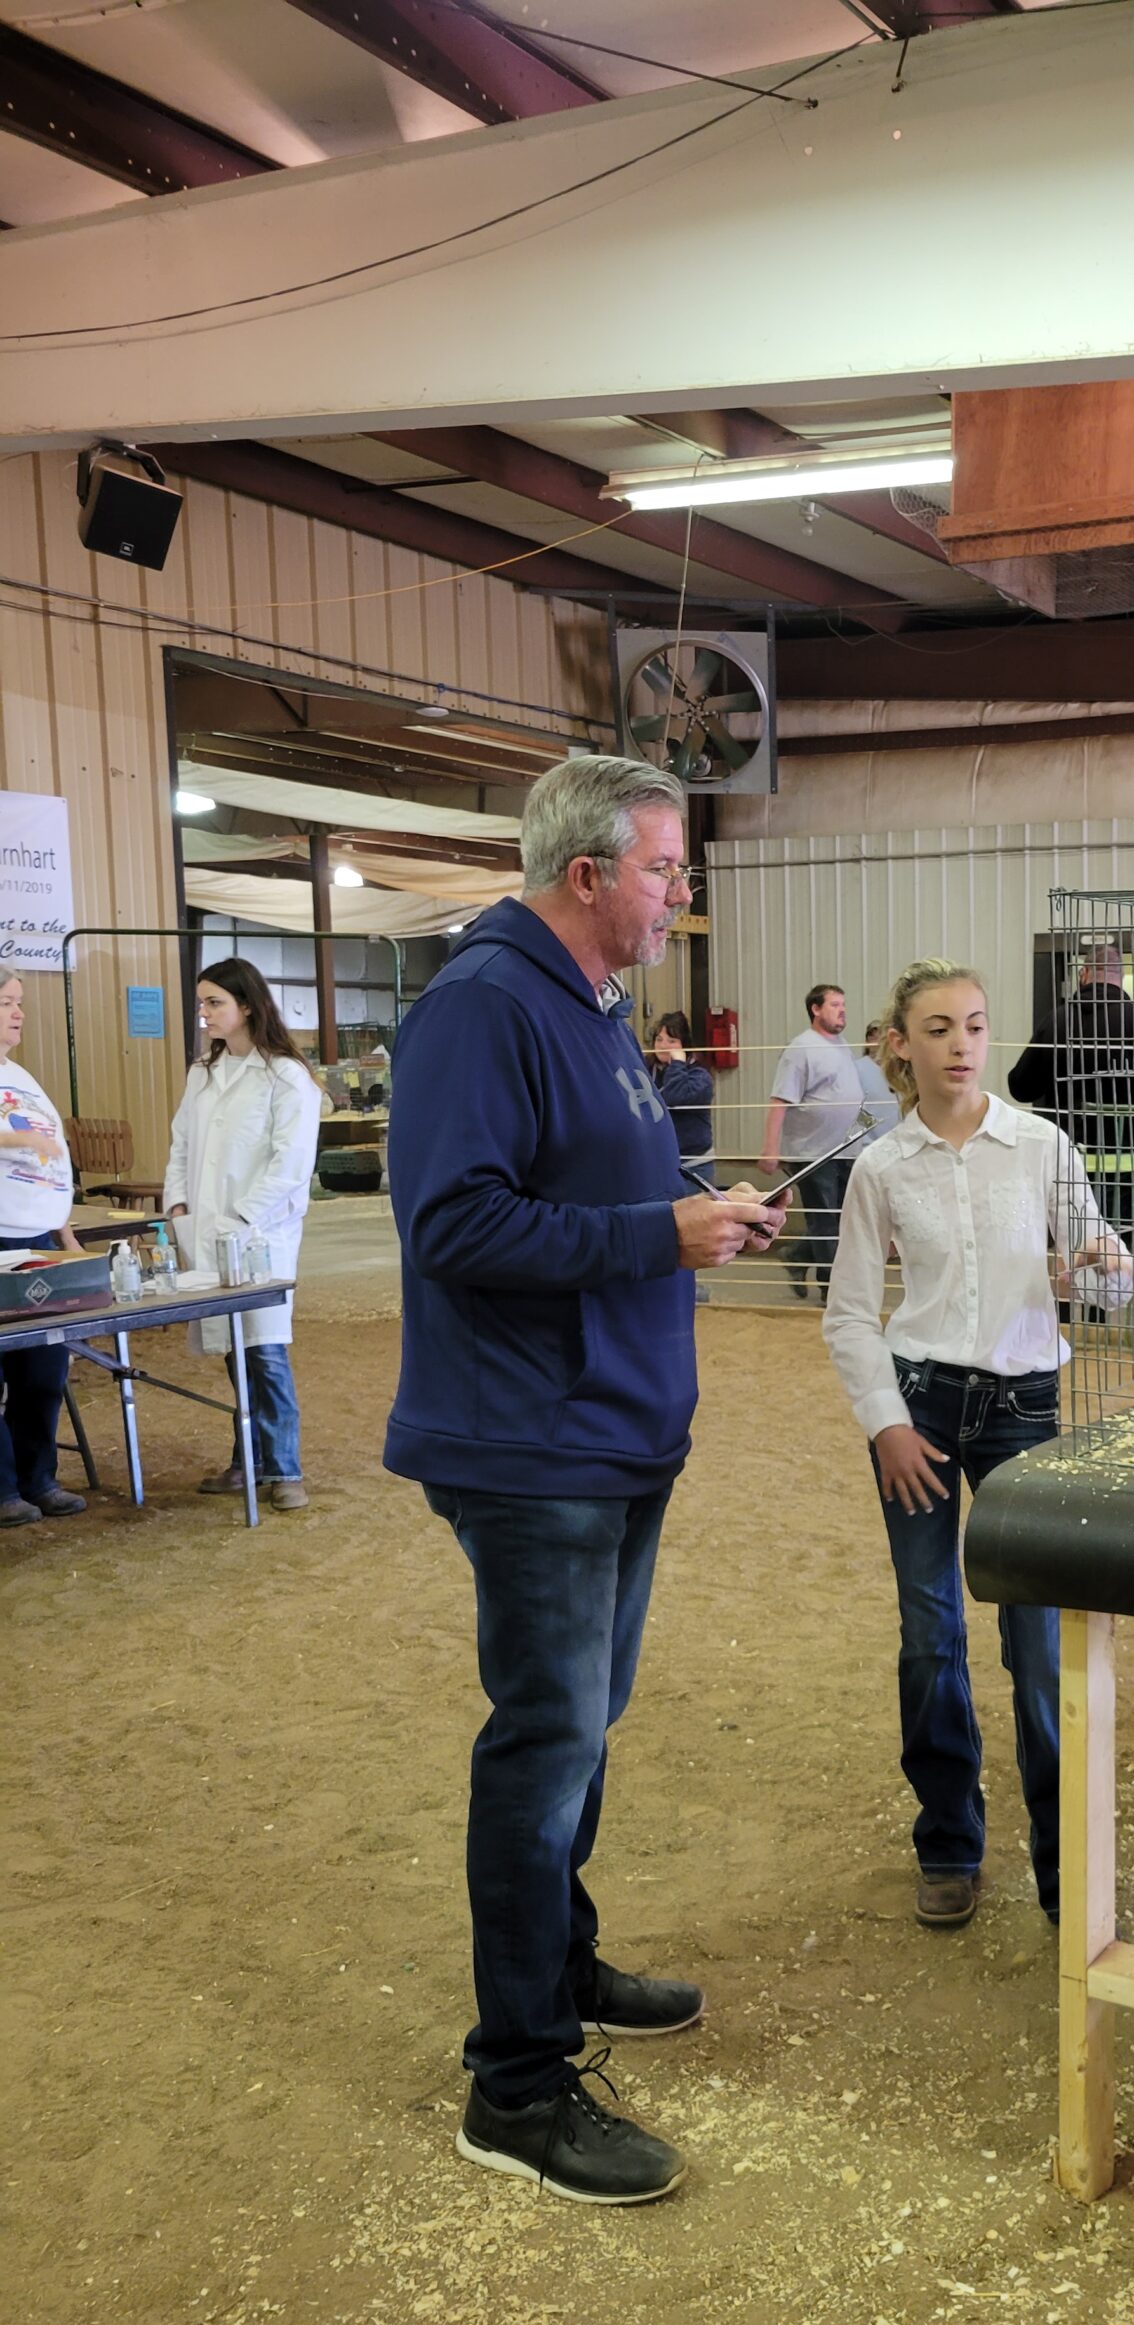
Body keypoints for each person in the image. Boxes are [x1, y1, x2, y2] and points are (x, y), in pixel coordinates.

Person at [384, 755, 786, 2208]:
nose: (683, 893)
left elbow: (592, 1196)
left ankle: (562, 1960)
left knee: (582, 1726)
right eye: (668, 870)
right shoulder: (484, 1008)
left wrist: (689, 1217)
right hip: (533, 1442)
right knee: (547, 1739)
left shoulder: (593, 1010)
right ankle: (518, 2083)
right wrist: (653, 1243)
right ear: (588, 878)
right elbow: (453, 1224)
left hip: (610, 1431)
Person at [824, 957, 1134, 1931]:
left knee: (1036, 1649)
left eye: (974, 1024)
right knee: (931, 1636)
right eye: (939, 1027)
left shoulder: (1042, 1146)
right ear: (900, 1045)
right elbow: (846, 1316)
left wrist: (1099, 1265)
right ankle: (949, 1841)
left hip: (1024, 1410)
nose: (961, 1043)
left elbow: (1117, 1281)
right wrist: (885, 1424)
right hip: (918, 1407)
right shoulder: (881, 1167)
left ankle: (1061, 1865)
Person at [163, 958, 323, 1512]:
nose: (203, 1013)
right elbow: (181, 1144)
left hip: (261, 1237)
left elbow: (291, 1163)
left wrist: (241, 1218)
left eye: (214, 1003)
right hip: (207, 1232)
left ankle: (286, 1469)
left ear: (246, 1007)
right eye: (201, 1003)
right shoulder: (202, 1074)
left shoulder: (284, 1076)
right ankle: (249, 1459)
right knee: (234, 1350)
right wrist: (177, 1203)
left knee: (266, 1350)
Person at [1008, 944, 1134, 1248]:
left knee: (1069, 1248)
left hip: (1065, 1164)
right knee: (1118, 1259)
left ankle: (1067, 1296)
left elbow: (1021, 1088)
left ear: (1083, 975)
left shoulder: (1057, 1021)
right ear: (1122, 977)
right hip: (1127, 1170)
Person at [0, 970, 85, 1527]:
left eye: (20, 1002)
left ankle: (40, 1478)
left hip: (41, 1238)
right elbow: (32, 1144)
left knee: (45, 1365)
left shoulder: (21, 1076)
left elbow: (52, 1163)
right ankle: (4, 1490)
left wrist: (64, 1225)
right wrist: (17, 1138)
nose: (18, 1012)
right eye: (6, 1002)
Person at [759, 982, 864, 1303]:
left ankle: (795, 1256)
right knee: (824, 1218)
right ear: (815, 1009)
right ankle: (831, 1289)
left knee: (839, 1218)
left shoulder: (842, 1044)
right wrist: (771, 1148)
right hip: (813, 1151)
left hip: (845, 1147)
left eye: (843, 1004)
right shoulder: (801, 1049)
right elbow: (780, 1100)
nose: (842, 1010)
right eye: (834, 1004)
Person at [647, 1012, 717, 1192]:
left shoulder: (700, 1076)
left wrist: (677, 1063)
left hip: (693, 1165)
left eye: (671, 1041)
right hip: (657, 1162)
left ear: (683, 1045)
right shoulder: (646, 1070)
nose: (663, 1046)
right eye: (659, 1039)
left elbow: (675, 1097)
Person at [854, 1019, 902, 1151]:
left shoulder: (897, 1069)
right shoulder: (858, 1068)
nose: (877, 1041)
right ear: (867, 1040)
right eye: (872, 1036)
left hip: (898, 1141)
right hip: (869, 1143)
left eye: (882, 1036)